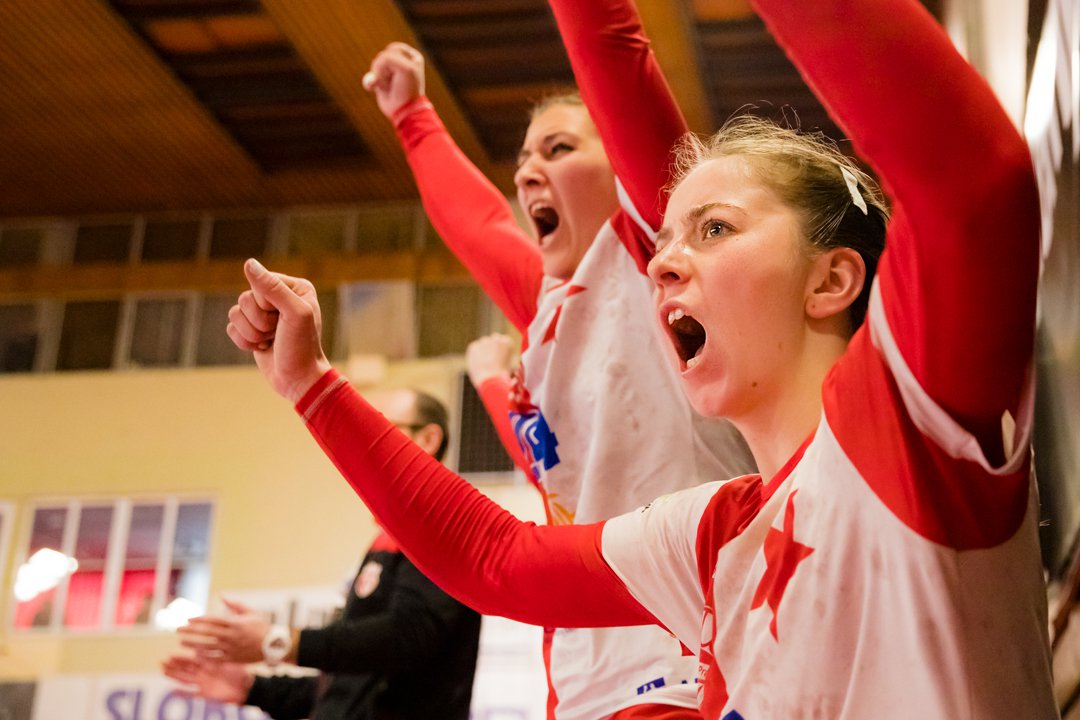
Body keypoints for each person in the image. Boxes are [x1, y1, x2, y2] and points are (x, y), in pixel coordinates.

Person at [225, 0, 1056, 715]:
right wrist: (307, 383)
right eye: (667, 240)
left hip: (655, 675)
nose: (664, 261)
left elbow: (975, 182)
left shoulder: (901, 419)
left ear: (831, 280)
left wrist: (416, 120)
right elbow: (495, 558)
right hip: (587, 670)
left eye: (714, 228)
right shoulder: (717, 531)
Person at [363, 0, 754, 715]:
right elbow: (478, 224)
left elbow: (615, 59)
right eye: (522, 159)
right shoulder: (550, 303)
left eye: (559, 149)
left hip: (696, 648)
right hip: (583, 665)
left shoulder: (654, 250)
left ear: (619, 163)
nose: (527, 174)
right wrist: (411, 116)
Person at [162, 388, 481, 720]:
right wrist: (253, 688)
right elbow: (352, 683)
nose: (364, 445)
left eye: (381, 429)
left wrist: (279, 641)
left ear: (428, 439)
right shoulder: (388, 537)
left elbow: (406, 639)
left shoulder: (445, 524)